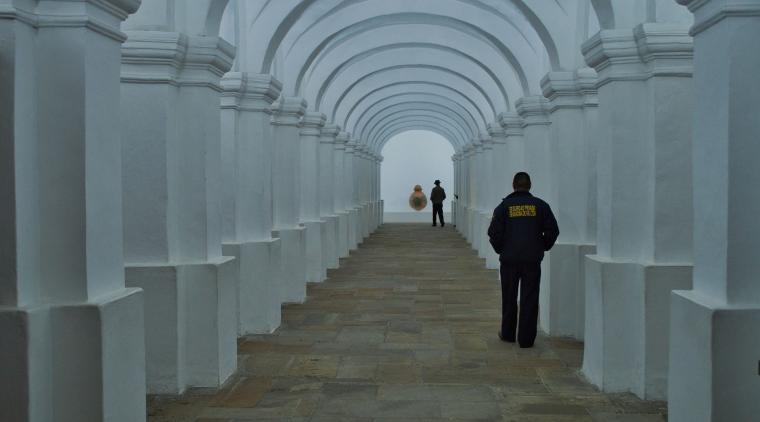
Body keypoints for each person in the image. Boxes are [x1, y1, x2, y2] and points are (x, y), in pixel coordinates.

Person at [487, 172, 559, 348]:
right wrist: (541, 247)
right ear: (530, 185)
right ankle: (526, 339)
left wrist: (501, 249)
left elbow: (494, 233)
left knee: (509, 297)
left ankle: (508, 334)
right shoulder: (541, 206)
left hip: (509, 259)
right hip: (531, 260)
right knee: (530, 298)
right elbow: (552, 231)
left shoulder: (503, 207)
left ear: (513, 185)